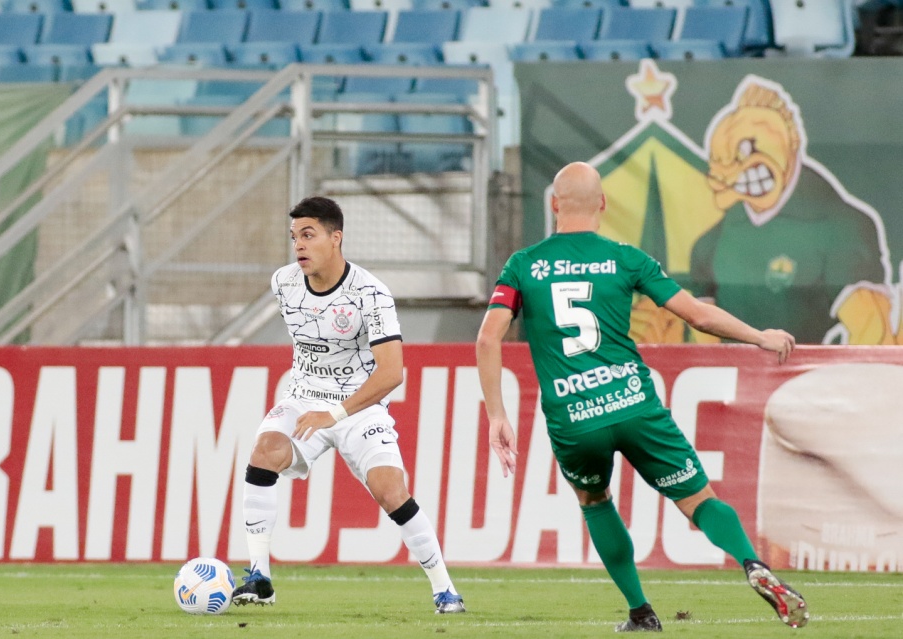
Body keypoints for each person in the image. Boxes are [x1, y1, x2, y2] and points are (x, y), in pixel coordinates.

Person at [476, 162, 808, 632]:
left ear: (553, 205)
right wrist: (759, 336)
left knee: (593, 500)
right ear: (604, 205)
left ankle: (641, 611)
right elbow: (697, 315)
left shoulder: (524, 265)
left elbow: (488, 340)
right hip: (634, 404)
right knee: (698, 499)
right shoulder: (626, 258)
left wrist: (496, 415)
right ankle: (752, 563)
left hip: (573, 416)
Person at [232, 196, 465, 614]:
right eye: (293, 237)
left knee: (389, 490)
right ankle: (258, 576)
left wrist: (335, 414)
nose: (298, 245)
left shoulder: (370, 293)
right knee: (264, 450)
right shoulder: (283, 283)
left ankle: (445, 589)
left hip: (359, 408)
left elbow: (392, 373)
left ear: (336, 238)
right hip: (304, 398)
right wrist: (316, 407)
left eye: (308, 235)